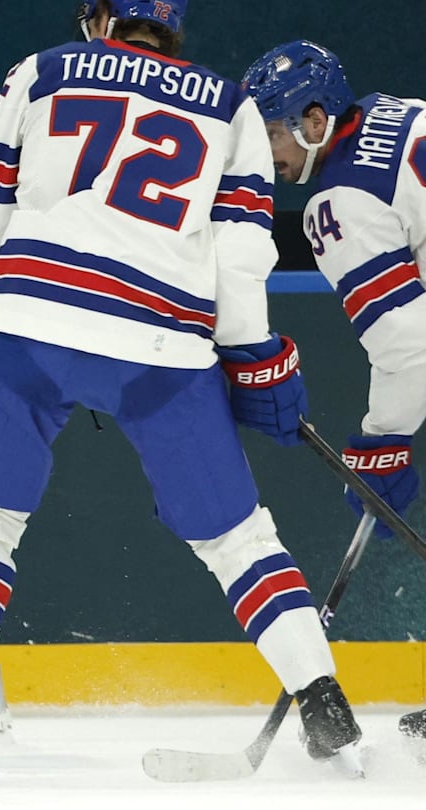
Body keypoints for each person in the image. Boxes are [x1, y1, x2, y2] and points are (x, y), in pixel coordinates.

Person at [0, 1, 362, 784]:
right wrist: (258, 361)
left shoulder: (39, 70)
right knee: (238, 538)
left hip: (31, 323)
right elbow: (241, 260)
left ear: (99, 20)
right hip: (160, 345)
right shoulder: (233, 109)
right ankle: (327, 709)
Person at [242, 39, 426, 741]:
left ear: (315, 119)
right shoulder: (392, 111)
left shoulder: (339, 199)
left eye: (272, 136)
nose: (266, 159)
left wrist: (383, 441)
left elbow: (408, 344)